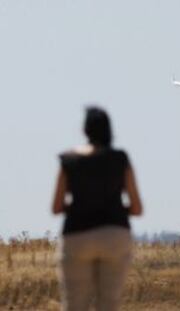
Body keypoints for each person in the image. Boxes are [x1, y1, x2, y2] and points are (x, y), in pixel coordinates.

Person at [52, 106, 143, 311]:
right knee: (109, 303)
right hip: (115, 233)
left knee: (74, 303)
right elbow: (137, 208)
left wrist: (80, 207)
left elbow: (57, 207)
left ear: (85, 131)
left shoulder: (69, 160)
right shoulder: (120, 159)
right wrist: (115, 209)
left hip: (77, 233)